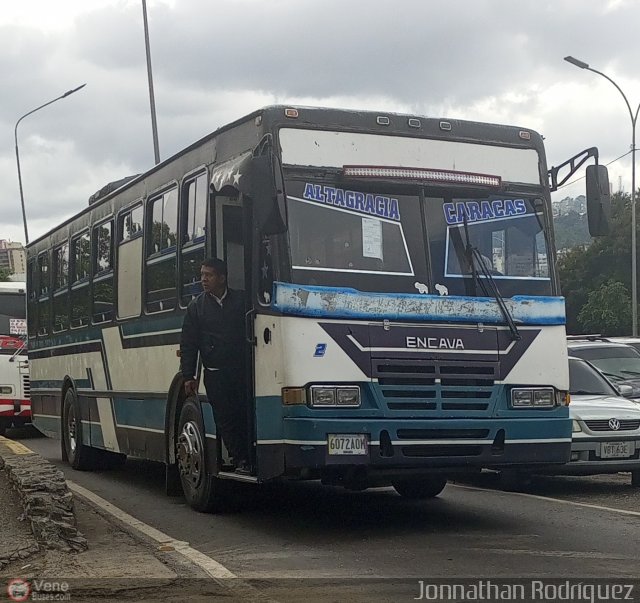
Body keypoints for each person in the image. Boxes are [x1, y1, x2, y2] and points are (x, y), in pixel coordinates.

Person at [180, 257, 249, 473]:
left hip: (242, 372)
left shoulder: (242, 301)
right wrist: (188, 376)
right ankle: (240, 459)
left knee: (244, 414)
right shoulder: (196, 307)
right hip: (215, 374)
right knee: (225, 419)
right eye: (202, 275)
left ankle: (250, 455)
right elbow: (189, 344)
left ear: (222, 278)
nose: (203, 280)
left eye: (208, 275)